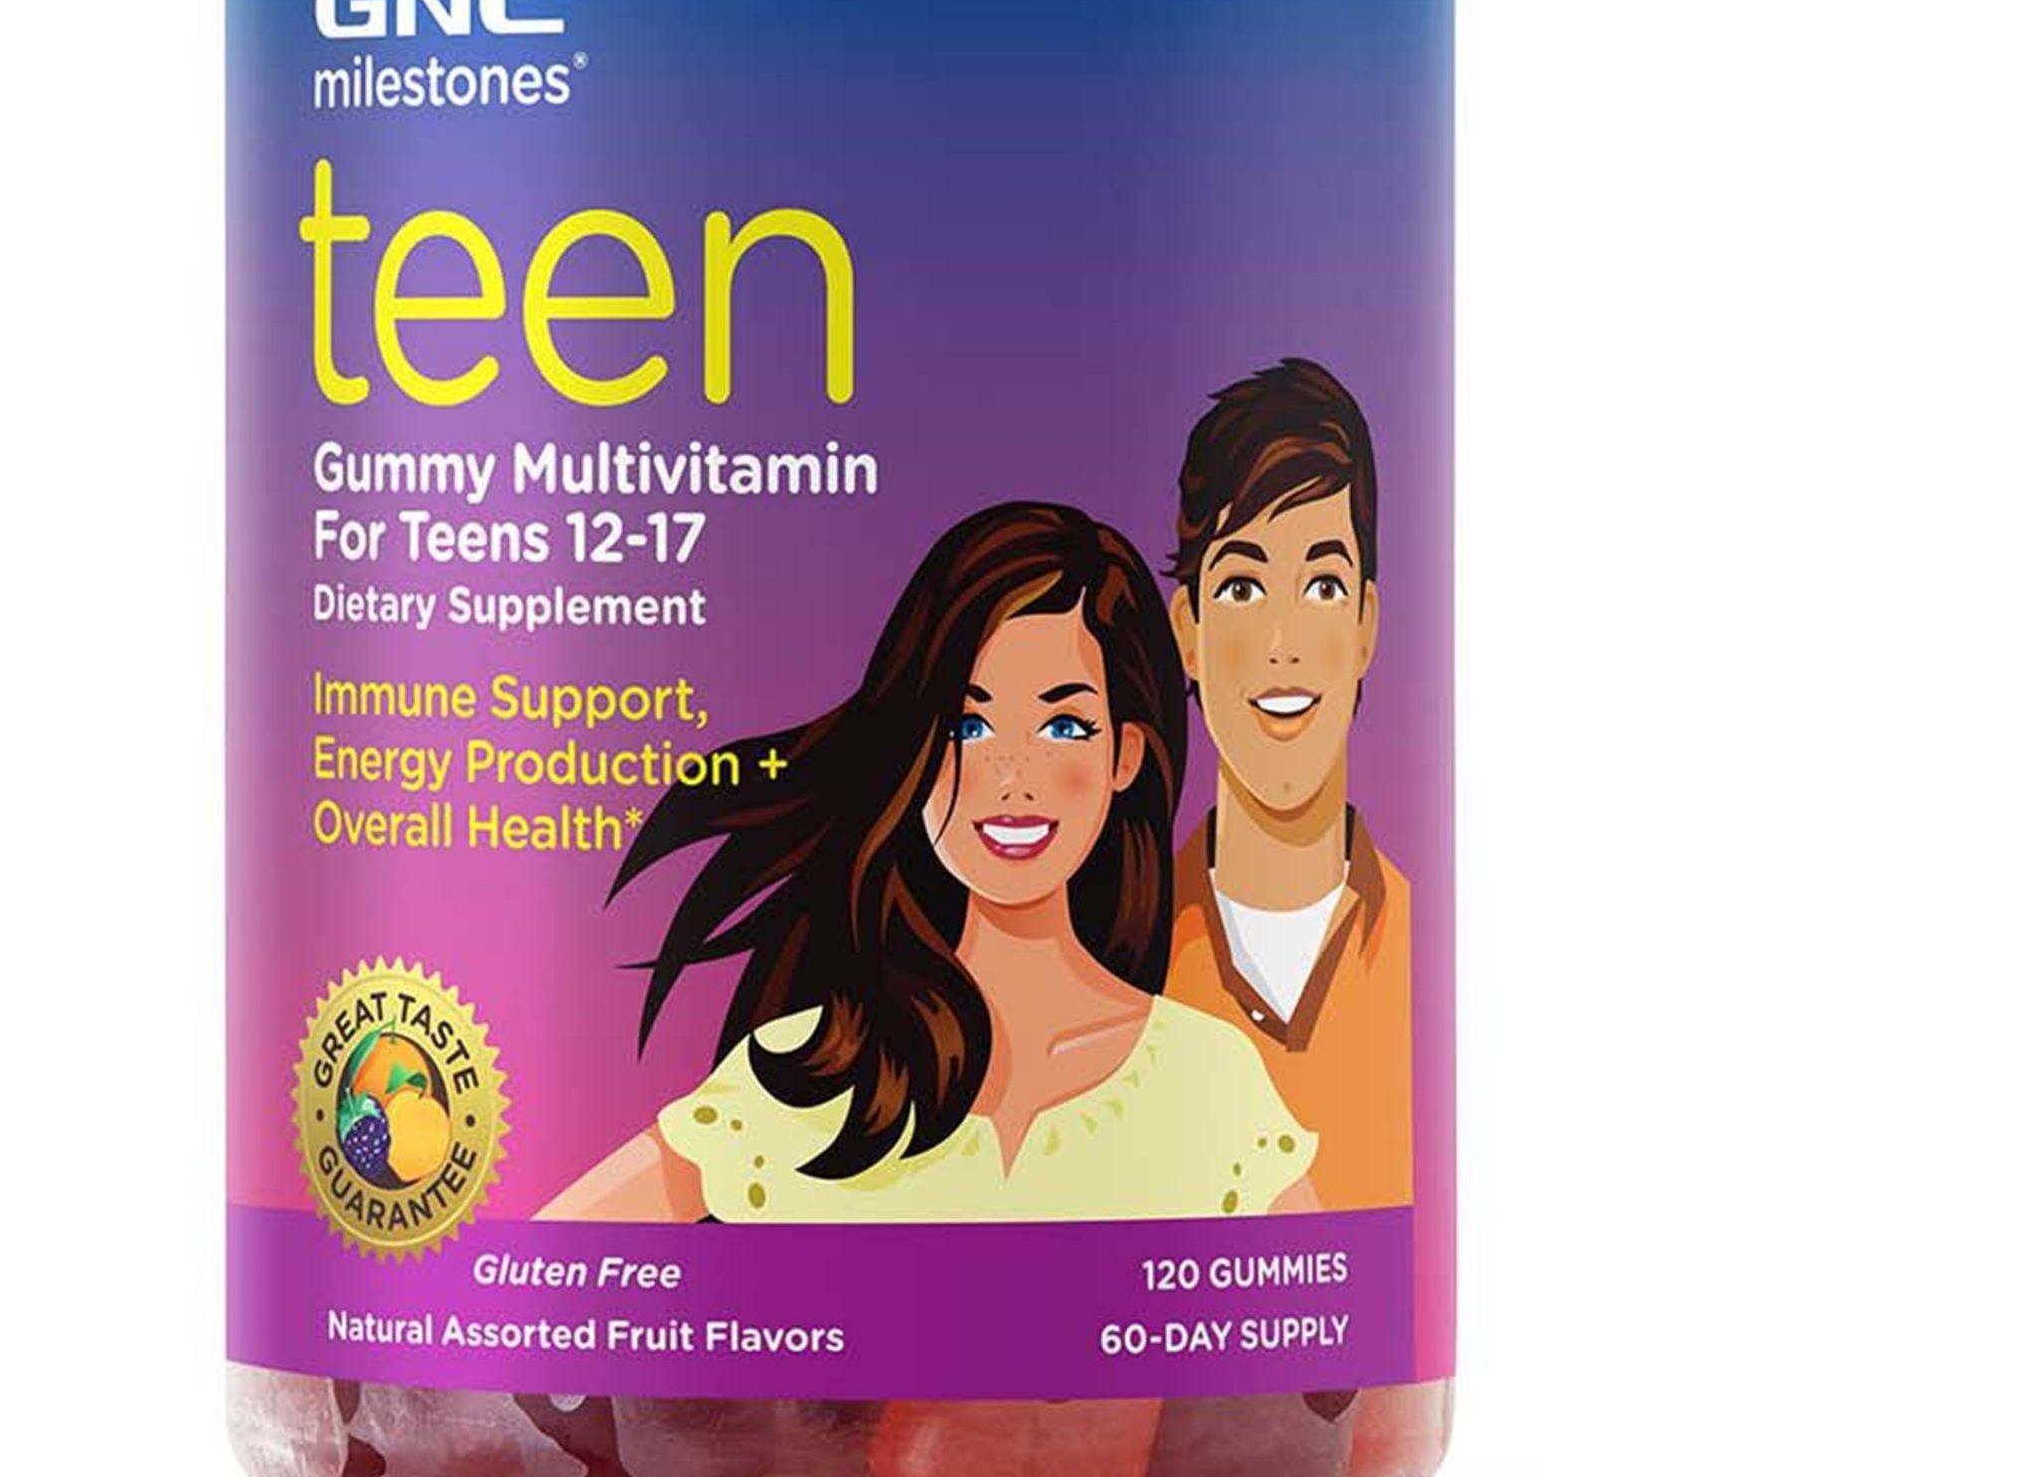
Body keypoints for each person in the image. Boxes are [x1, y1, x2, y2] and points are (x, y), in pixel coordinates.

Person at [542, 501, 1315, 1221]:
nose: (1013, 777)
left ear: (1126, 756)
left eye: (1064, 727)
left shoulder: (1206, 1084)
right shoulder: (809, 1073)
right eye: (968, 726)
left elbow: (1338, 1307)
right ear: (913, 751)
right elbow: (534, 1276)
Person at [1163, 360, 1414, 1210]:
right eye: (1242, 586)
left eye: (1322, 585)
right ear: (1189, 630)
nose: (1283, 642)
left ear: (1366, 624)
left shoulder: (1427, 956)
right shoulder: (1126, 960)